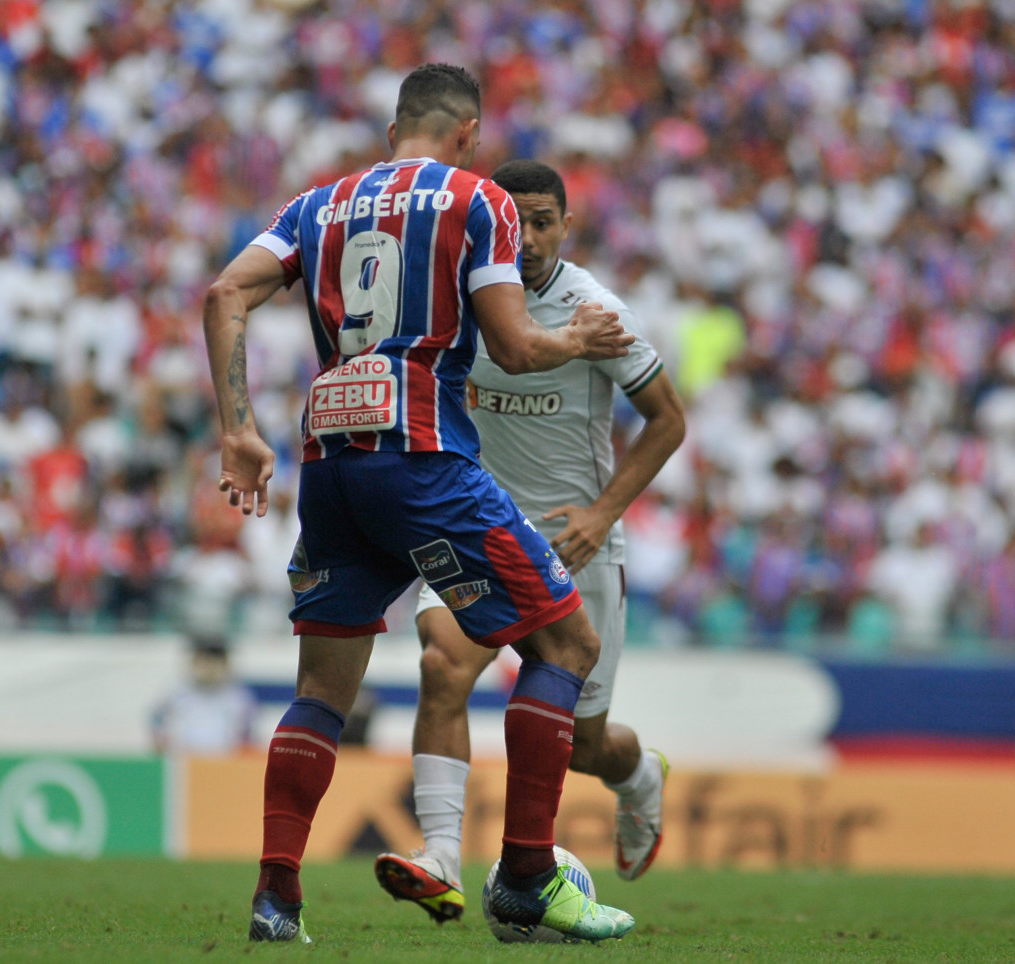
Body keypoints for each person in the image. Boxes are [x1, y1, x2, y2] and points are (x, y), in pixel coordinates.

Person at [204, 64, 638, 944]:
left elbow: (224, 295)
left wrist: (237, 432)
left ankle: (276, 899)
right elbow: (514, 350)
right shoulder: (479, 200)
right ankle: (525, 876)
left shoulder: (314, 206)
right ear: (468, 133)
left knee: (322, 690)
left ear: (394, 124)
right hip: (423, 455)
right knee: (567, 643)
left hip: (328, 456)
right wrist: (576, 338)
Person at [372, 160, 686, 923]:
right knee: (443, 664)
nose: (532, 237)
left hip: (573, 545)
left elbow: (669, 420)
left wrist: (602, 513)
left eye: (545, 221)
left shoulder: (594, 309)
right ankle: (440, 856)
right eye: (520, 221)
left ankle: (638, 774)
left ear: (564, 226)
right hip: (479, 527)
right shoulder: (461, 301)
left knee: (584, 746)